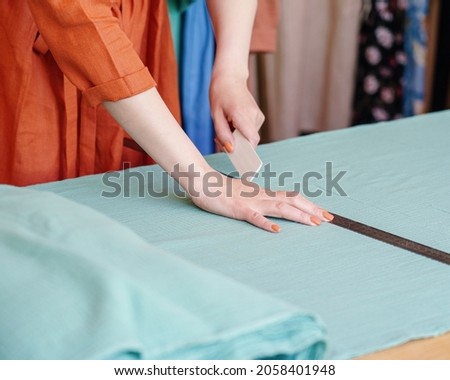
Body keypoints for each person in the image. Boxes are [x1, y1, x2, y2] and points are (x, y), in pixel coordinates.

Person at [0, 0, 334, 232]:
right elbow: (77, 12)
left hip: (131, 36)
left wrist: (231, 71)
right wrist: (203, 180)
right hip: (29, 42)